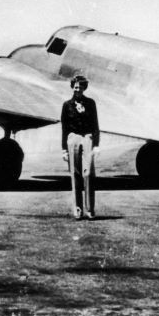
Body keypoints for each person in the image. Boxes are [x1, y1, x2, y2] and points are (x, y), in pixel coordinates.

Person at [61, 75, 99, 220]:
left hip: (87, 137)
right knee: (75, 174)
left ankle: (90, 209)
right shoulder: (67, 105)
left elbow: (96, 125)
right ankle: (78, 209)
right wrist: (64, 149)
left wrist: (96, 145)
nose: (78, 89)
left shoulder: (91, 103)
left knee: (88, 173)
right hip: (73, 138)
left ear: (84, 88)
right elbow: (64, 128)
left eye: (81, 87)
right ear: (72, 87)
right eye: (76, 87)